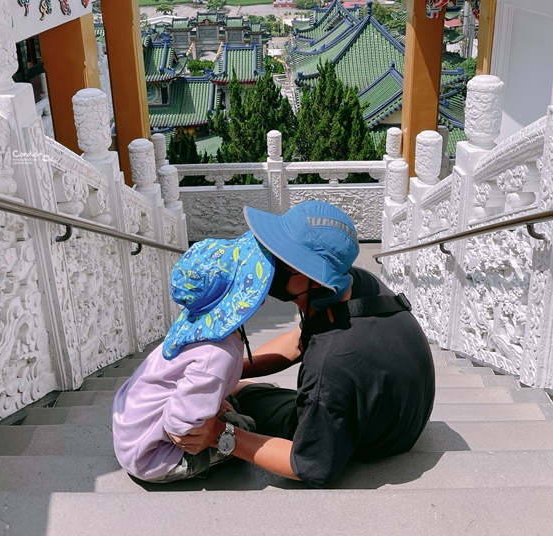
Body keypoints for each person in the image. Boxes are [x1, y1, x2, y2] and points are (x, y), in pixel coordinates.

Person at [170, 200, 436, 488]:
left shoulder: (332, 362)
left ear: (314, 279)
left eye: (282, 260)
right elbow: (298, 342)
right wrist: (234, 371)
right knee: (237, 386)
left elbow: (309, 466)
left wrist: (217, 435)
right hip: (400, 416)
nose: (268, 262)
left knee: (240, 400)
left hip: (371, 442)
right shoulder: (355, 285)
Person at [112, 229, 275, 482]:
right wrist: (214, 422)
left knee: (230, 406)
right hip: (152, 456)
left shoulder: (192, 323)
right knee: (247, 426)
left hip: (131, 431)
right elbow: (179, 427)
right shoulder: (217, 355)